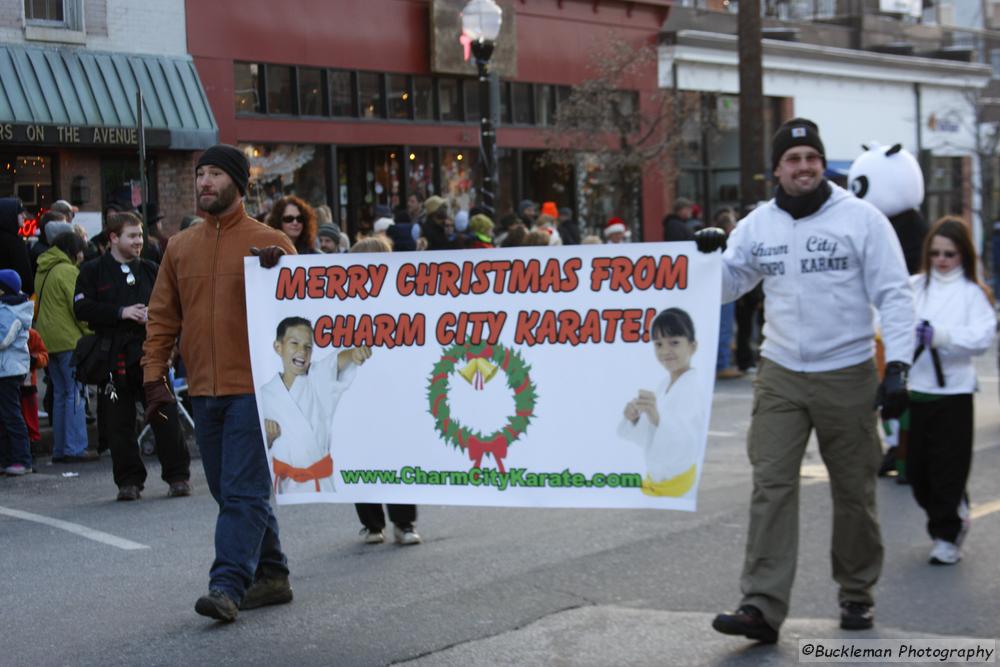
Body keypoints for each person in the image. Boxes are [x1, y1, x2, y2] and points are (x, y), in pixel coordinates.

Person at [695, 118, 914, 641]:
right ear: (777, 169)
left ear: (822, 164)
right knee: (771, 486)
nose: (804, 167)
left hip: (848, 371)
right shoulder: (758, 224)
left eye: (812, 158)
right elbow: (730, 284)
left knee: (854, 490)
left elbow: (895, 294)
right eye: (793, 160)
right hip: (781, 373)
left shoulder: (861, 219)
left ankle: (857, 593)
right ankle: (761, 606)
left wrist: (899, 366)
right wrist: (706, 256)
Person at [143, 144, 295, 622]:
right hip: (203, 388)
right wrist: (153, 378)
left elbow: (303, 318)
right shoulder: (180, 247)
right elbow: (163, 317)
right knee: (229, 492)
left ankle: (227, 584)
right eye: (199, 174)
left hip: (257, 388)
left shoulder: (270, 242)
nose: (204, 182)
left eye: (213, 174)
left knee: (245, 490)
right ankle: (273, 574)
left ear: (237, 183)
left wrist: (282, 274)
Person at [74, 212, 191, 502]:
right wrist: (120, 312)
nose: (139, 241)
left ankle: (177, 476)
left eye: (140, 235)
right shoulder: (92, 271)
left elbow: (174, 304)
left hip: (151, 356)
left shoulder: (152, 269)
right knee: (118, 421)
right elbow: (82, 308)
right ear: (114, 238)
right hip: (113, 362)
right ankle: (128, 481)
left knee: (165, 414)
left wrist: (154, 315)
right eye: (132, 236)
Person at [906, 216, 995, 566]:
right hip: (917, 389)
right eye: (936, 253)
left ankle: (947, 534)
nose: (942, 260)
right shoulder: (914, 286)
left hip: (954, 393)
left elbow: (982, 337)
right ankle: (952, 510)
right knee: (916, 473)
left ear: (963, 256)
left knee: (948, 469)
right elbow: (886, 320)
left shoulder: (974, 294)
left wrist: (942, 337)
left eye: (950, 254)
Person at [347, 235, 422, 545]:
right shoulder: (343, 303)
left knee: (397, 454)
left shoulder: (403, 300)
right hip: (358, 392)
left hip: (393, 392)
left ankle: (403, 523)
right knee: (361, 456)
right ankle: (373, 523)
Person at [261, 317, 370, 494]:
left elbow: (337, 361)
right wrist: (268, 437)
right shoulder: (265, 394)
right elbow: (256, 444)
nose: (301, 351)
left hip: (320, 484)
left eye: (308, 347)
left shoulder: (317, 378)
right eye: (294, 343)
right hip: (284, 487)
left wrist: (353, 354)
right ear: (278, 347)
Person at [617, 308, 707, 497]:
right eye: (658, 344)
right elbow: (647, 439)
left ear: (692, 346)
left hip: (678, 485)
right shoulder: (663, 385)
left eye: (674, 342)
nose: (665, 351)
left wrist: (658, 418)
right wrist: (634, 418)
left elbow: (688, 443)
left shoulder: (695, 389)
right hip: (657, 481)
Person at [35, 231, 95, 463]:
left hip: (47, 339)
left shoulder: (43, 268)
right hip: (69, 340)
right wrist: (91, 332)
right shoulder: (67, 271)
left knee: (61, 394)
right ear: (73, 250)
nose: (82, 255)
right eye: (80, 250)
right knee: (75, 394)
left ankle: (61, 448)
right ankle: (75, 448)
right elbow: (77, 307)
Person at [0, 269, 34, 475]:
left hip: (9, 370)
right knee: (5, 416)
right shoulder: (8, 308)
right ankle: (7, 459)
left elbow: (3, 340)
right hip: (6, 369)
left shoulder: (10, 311)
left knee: (11, 415)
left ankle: (22, 459)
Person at [713, 209, 742, 380]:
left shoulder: (717, 242)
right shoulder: (726, 243)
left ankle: (721, 363)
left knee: (724, 328)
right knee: (724, 327)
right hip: (723, 290)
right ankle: (721, 364)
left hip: (719, 289)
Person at [0, 197, 34, 296]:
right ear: (9, 215)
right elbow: (25, 276)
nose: (24, 215)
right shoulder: (15, 242)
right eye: (20, 212)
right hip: (13, 299)